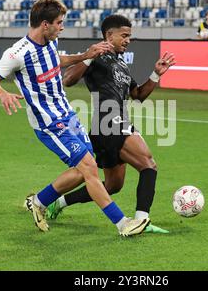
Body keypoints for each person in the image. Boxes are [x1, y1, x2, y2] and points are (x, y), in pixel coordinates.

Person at [0, 0, 150, 237]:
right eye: (59, 22)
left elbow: (57, 60)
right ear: (45, 24)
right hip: (49, 122)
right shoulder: (16, 53)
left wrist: (85, 55)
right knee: (88, 168)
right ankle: (122, 223)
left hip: (67, 114)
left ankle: (39, 202)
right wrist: (2, 94)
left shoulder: (51, 42)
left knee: (85, 168)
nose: (62, 27)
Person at [26, 14, 175, 233]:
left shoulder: (122, 64)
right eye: (124, 36)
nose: (128, 40)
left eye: (130, 37)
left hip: (108, 126)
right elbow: (68, 79)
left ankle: (58, 202)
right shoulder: (97, 55)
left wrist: (155, 74)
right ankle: (142, 219)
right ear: (109, 35)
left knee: (113, 185)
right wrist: (88, 57)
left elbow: (138, 94)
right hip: (110, 121)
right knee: (148, 165)